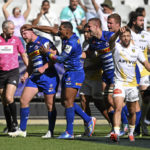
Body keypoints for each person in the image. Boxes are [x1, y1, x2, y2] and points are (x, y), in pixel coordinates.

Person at [38, 22, 96, 139]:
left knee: (69, 102)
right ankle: (88, 119)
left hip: (75, 73)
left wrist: (47, 52)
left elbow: (60, 59)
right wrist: (34, 27)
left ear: (67, 30)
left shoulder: (72, 42)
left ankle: (69, 132)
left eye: (61, 29)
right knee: (65, 102)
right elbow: (51, 30)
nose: (59, 31)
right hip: (68, 72)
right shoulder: (66, 35)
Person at [8, 25, 59, 138]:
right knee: (23, 100)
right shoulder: (29, 45)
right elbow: (31, 63)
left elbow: (55, 56)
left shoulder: (43, 41)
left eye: (25, 33)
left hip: (48, 77)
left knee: (50, 105)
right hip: (35, 78)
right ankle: (22, 130)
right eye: (21, 34)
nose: (23, 36)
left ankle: (50, 131)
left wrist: (45, 67)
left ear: (31, 32)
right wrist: (26, 74)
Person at [109, 26, 150, 142]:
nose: (126, 38)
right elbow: (111, 41)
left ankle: (131, 132)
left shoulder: (136, 50)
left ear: (130, 37)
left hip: (132, 85)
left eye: (128, 36)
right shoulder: (116, 47)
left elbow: (146, 64)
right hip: (119, 83)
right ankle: (116, 133)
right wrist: (117, 32)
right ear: (120, 38)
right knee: (117, 107)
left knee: (132, 112)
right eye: (123, 36)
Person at [79, 23, 110, 135]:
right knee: (83, 100)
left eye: (88, 32)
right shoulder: (85, 43)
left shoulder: (97, 43)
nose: (86, 34)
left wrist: (87, 67)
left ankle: (114, 124)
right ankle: (88, 128)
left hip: (97, 77)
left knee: (99, 103)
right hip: (86, 77)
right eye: (84, 32)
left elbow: (101, 62)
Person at [0, 20, 28, 133]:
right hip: (0, 74)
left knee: (9, 97)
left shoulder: (16, 40)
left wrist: (29, 68)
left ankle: (15, 123)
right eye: (11, 29)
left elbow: (23, 54)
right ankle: (9, 125)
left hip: (12, 72)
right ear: (4, 30)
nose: (13, 30)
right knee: (4, 101)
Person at [128, 12, 150, 136]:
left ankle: (142, 123)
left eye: (143, 20)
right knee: (133, 100)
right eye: (140, 20)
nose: (143, 22)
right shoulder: (127, 34)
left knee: (146, 98)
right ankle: (133, 126)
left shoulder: (146, 35)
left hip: (144, 71)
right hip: (129, 71)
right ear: (134, 21)